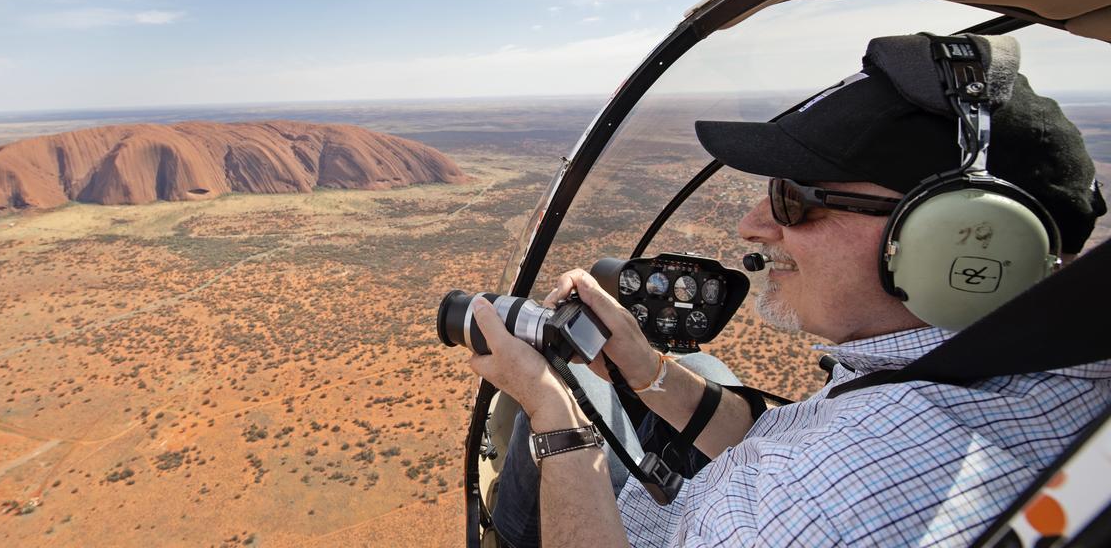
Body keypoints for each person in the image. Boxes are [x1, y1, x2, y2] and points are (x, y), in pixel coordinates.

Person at [464, 34, 1110, 547]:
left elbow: (810, 484)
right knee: (688, 366)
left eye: (793, 199)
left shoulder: (820, 504)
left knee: (566, 395)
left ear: (952, 239)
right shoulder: (1017, 365)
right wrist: (645, 369)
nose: (754, 224)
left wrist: (554, 414)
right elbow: (786, 432)